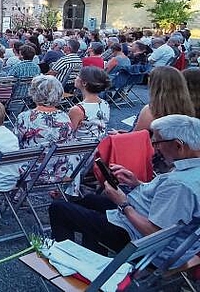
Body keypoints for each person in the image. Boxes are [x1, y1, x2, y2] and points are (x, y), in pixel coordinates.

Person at [49, 115, 200, 263]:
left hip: (145, 247)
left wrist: (123, 204)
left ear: (178, 145)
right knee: (90, 200)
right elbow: (168, 200)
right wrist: (137, 183)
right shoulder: (191, 169)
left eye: (158, 142)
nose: (156, 148)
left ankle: (68, 264)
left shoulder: (179, 185)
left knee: (59, 209)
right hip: (164, 234)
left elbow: (155, 234)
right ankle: (93, 257)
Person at [15, 75, 76, 183]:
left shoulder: (25, 117)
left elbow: (15, 143)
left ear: (34, 93)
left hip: (30, 170)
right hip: (58, 171)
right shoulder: (64, 117)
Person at [132, 66, 194, 132]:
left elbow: (136, 136)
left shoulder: (151, 110)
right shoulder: (187, 107)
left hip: (150, 141)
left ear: (155, 84)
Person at [68, 67, 111, 141]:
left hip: (80, 148)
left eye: (78, 75)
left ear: (84, 83)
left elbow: (68, 133)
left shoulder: (77, 110)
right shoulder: (105, 103)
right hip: (100, 146)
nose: (76, 77)